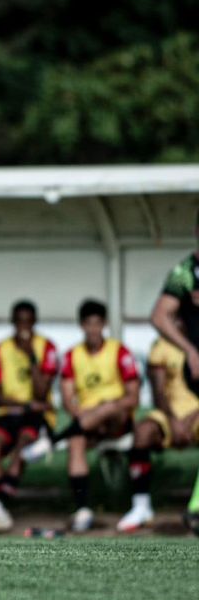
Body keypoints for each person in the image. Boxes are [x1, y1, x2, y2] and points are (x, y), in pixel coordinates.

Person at [51, 299, 140, 532]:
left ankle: (53, 439)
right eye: (89, 324)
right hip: (87, 423)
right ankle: (83, 510)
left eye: (97, 323)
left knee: (109, 406)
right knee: (76, 442)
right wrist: (86, 414)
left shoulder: (119, 351)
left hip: (116, 420)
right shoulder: (72, 356)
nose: (93, 329)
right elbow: (67, 400)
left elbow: (133, 398)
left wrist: (102, 409)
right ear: (82, 325)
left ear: (104, 324)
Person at [0, 300, 58, 533]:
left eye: (28, 321)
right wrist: (25, 405)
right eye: (19, 321)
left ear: (34, 322)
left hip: (38, 417)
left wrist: (31, 358)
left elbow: (42, 393)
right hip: (10, 413)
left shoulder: (46, 348)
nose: (23, 326)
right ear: (13, 322)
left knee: (24, 442)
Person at [117, 321, 199, 531]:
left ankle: (195, 509)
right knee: (143, 432)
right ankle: (141, 507)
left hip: (196, 414)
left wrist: (191, 419)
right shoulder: (162, 345)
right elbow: (158, 391)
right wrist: (173, 420)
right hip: (170, 413)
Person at [149, 209, 199, 534]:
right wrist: (191, 350)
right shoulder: (185, 272)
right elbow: (159, 315)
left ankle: (195, 510)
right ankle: (195, 510)